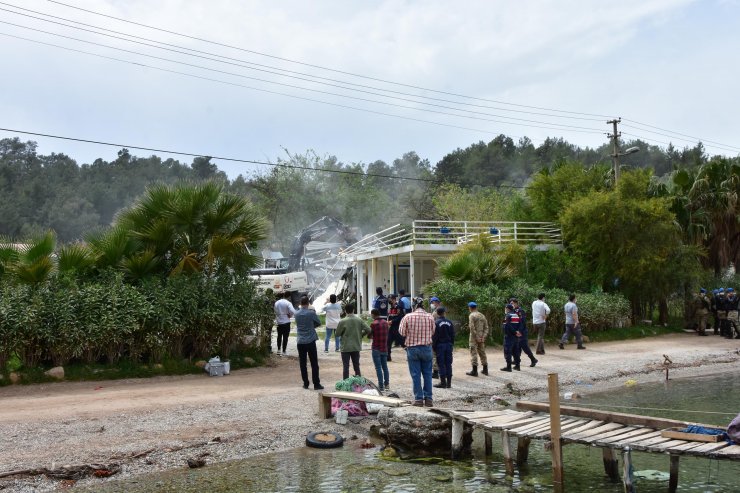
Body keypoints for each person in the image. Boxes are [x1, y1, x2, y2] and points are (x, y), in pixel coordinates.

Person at [399, 297, 436, 407]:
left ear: (414, 306)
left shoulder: (408, 317)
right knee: (428, 374)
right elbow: (433, 331)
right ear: (423, 305)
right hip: (427, 348)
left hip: (413, 349)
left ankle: (419, 399)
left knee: (415, 375)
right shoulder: (430, 317)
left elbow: (401, 332)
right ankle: (429, 399)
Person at [293, 296, 323, 390]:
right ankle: (316, 383)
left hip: (300, 341)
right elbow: (319, 322)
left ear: (300, 303)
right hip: (310, 340)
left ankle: (305, 383)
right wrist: (312, 326)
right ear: (308, 303)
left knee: (303, 363)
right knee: (314, 363)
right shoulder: (311, 313)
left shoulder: (296, 314)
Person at [335, 303, 371, 380]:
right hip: (356, 346)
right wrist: (361, 334)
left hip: (345, 347)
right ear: (353, 310)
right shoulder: (359, 320)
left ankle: (345, 384)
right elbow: (368, 329)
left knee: (346, 367)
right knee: (356, 366)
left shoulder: (342, 321)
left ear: (345, 311)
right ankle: (359, 383)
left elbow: (337, 334)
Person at [511, 298, 538, 368]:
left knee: (524, 347)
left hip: (522, 332)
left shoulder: (520, 311)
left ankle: (533, 359)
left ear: (516, 303)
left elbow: (522, 322)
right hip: (516, 332)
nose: (512, 305)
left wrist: (519, 331)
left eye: (513, 303)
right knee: (517, 346)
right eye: (511, 304)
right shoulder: (513, 311)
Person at [433, 306, 454, 389]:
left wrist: (434, 347)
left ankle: (443, 383)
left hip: (440, 346)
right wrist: (451, 344)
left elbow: (435, 336)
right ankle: (449, 383)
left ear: (437, 314)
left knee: (441, 364)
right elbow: (452, 335)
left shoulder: (436, 323)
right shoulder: (449, 322)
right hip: (448, 345)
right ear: (444, 313)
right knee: (448, 363)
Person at [369, 308, 390, 391]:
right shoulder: (385, 323)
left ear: (373, 314)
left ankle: (380, 386)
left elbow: (370, 335)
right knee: (385, 367)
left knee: (378, 368)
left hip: (376, 348)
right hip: (384, 348)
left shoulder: (373, 324)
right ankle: (387, 384)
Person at [466, 302, 489, 377]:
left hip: (474, 337)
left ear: (470, 307)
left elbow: (472, 328)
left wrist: (476, 337)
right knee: (482, 352)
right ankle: (485, 370)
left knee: (473, 352)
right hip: (481, 336)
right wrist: (483, 336)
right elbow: (486, 327)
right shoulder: (482, 315)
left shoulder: (472, 315)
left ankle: (474, 371)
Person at [501, 304, 523, 372]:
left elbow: (507, 326)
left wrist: (514, 332)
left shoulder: (508, 315)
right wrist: (518, 332)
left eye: (505, 308)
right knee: (515, 351)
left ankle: (508, 367)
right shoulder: (516, 315)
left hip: (509, 336)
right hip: (516, 337)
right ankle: (517, 366)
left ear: (507, 308)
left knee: (508, 351)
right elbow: (521, 325)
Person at [386, 294, 405, 361]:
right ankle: (388, 356)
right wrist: (388, 322)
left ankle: (409, 353)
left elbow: (400, 317)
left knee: (402, 342)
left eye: (389, 299)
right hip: (391, 328)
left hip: (397, 327)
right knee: (388, 341)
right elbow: (389, 316)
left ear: (393, 299)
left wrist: (392, 321)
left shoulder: (398, 307)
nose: (388, 300)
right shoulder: (390, 307)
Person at [429, 296, 442, 379]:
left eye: (432, 302)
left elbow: (432, 324)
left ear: (436, 302)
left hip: (436, 335)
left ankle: (435, 372)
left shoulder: (435, 312)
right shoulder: (441, 310)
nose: (431, 304)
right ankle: (440, 370)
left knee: (434, 353)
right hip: (441, 335)